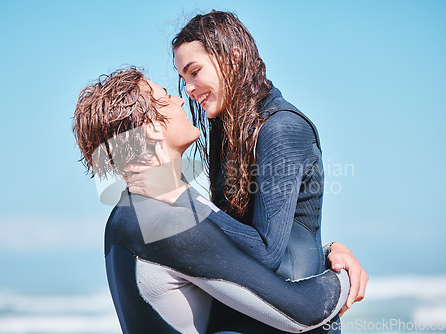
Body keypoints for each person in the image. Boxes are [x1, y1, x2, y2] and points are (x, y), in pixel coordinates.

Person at [124, 10, 368, 333]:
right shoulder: (228, 129)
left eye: (194, 72)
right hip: (255, 316)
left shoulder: (280, 128)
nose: (189, 90)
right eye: (183, 79)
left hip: (297, 322)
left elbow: (267, 251)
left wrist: (183, 199)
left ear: (234, 57)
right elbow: (233, 239)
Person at [73, 67, 350, 334]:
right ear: (151, 130)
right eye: (166, 96)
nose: (180, 99)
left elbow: (233, 257)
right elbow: (302, 312)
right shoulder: (165, 222)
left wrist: (328, 250)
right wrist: (343, 273)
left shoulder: (131, 213)